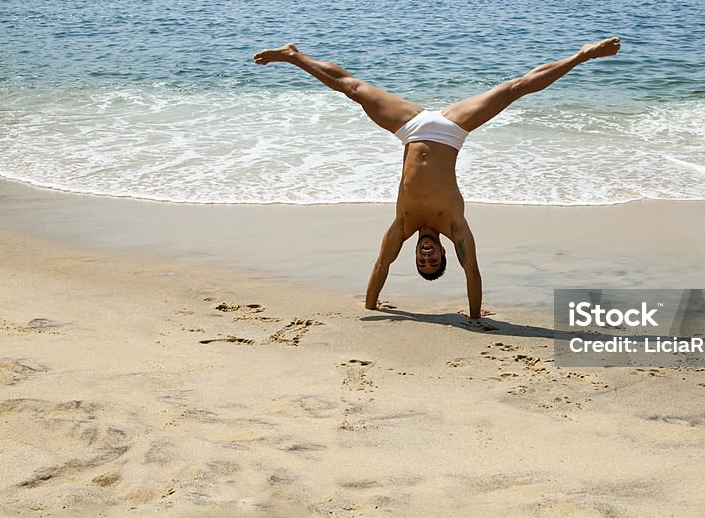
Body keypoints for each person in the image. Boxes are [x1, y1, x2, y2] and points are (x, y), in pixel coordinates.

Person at [253, 37, 621, 319]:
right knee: (515, 88)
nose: (427, 257)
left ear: (414, 254)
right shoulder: (456, 228)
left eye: (422, 262)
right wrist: (475, 316)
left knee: (352, 88)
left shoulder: (402, 225)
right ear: (444, 252)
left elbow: (381, 265)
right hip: (452, 130)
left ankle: (293, 55)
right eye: (434, 261)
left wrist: (372, 305)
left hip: (410, 128)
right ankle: (583, 55)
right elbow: (473, 272)